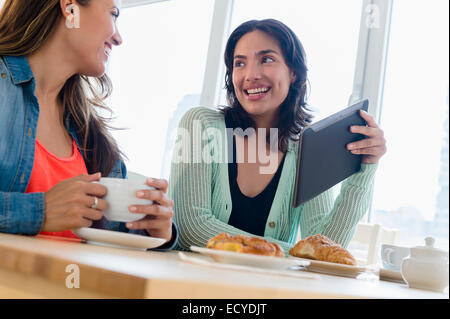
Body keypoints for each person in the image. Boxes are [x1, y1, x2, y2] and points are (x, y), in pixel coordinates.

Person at [168, 19, 386, 254]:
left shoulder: (308, 151)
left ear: (293, 72)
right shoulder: (198, 124)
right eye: (240, 63)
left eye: (267, 59)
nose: (251, 75)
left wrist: (364, 171)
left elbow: (325, 251)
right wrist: (290, 253)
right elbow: (190, 228)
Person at [0, 0, 177, 249]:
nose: (118, 38)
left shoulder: (90, 133)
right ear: (70, 7)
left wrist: (152, 231)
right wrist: (39, 212)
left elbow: (112, 235)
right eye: (113, 14)